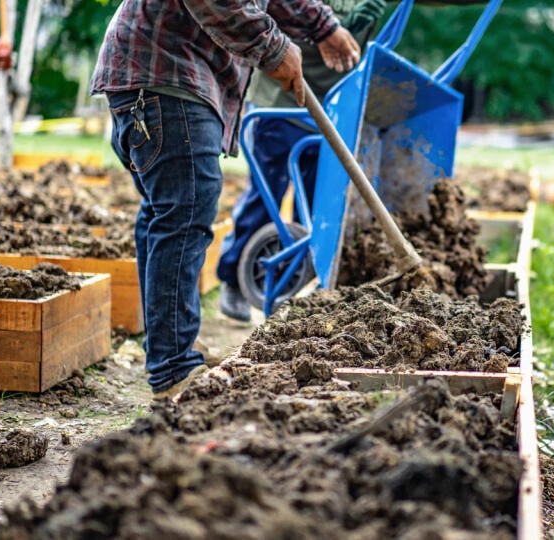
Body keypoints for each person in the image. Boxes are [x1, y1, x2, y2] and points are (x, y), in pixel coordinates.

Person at [90, 0, 361, 400]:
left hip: (160, 77)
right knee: (183, 214)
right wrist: (276, 49)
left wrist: (323, 27)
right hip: (166, 74)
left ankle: (171, 355)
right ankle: (173, 367)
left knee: (167, 216)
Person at [216, 0, 387, 322]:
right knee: (266, 195)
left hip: (332, 108)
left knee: (314, 204)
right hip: (280, 98)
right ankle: (234, 279)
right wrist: (333, 21)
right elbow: (277, 8)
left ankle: (295, 285)